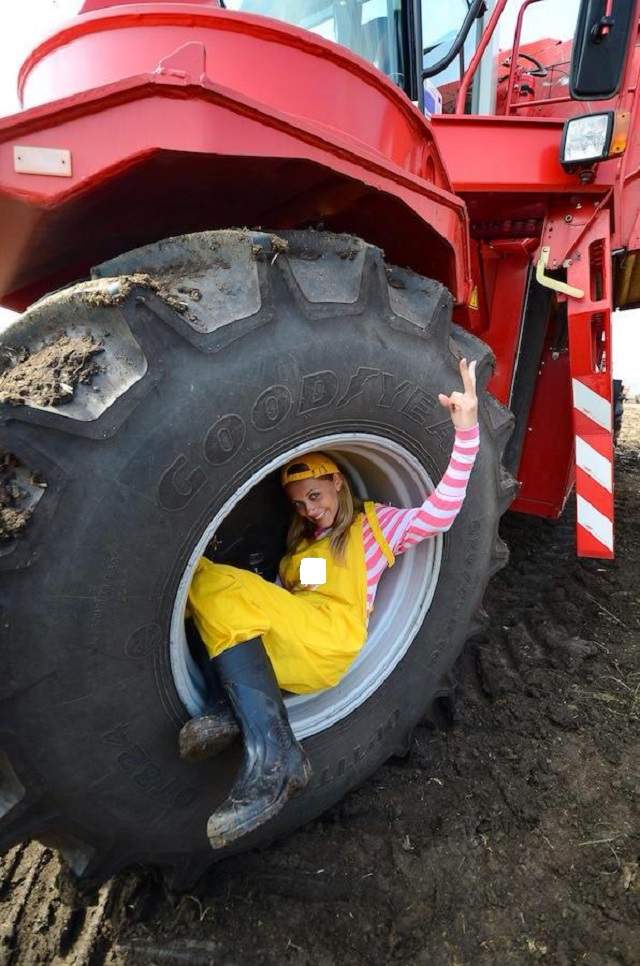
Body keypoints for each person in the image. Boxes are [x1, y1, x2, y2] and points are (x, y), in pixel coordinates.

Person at [181, 358, 480, 849]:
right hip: (296, 643)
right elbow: (281, 605)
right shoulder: (302, 549)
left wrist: (465, 434)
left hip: (330, 639)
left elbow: (441, 513)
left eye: (316, 495)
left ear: (339, 481)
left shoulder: (374, 528)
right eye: (300, 503)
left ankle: (276, 759)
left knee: (214, 583)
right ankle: (229, 705)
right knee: (220, 598)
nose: (310, 509)